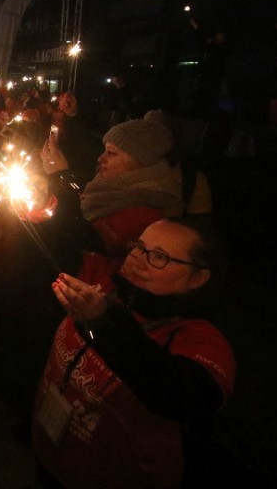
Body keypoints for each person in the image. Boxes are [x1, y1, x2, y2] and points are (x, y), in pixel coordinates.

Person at [32, 218, 235, 488]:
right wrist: (40, 211)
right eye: (139, 247)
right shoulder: (103, 278)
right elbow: (52, 248)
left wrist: (105, 321)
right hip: (49, 451)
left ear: (198, 278)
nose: (137, 259)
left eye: (159, 257)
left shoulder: (199, 338)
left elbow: (183, 397)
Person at [43, 117, 183, 256]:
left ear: (141, 161)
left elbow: (84, 245)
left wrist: (60, 176)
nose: (101, 158)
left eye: (111, 152)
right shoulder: (108, 186)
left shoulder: (146, 211)